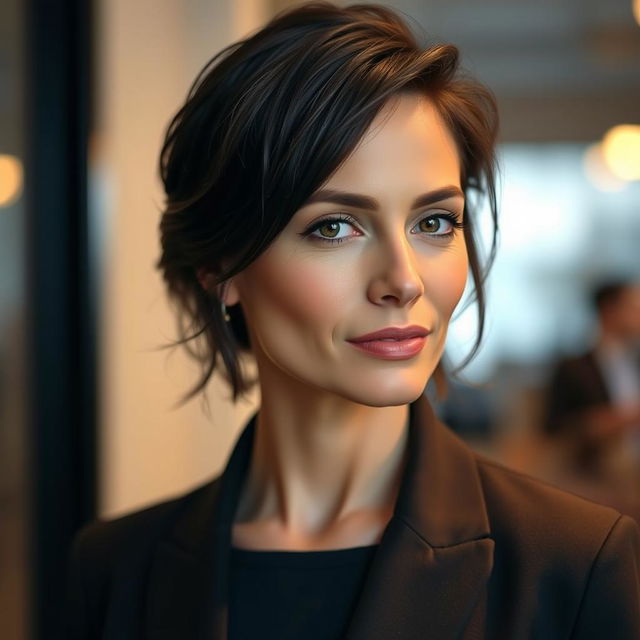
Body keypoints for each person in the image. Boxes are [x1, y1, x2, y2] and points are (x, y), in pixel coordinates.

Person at [65, 3, 640, 638]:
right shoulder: (115, 570)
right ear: (221, 266)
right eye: (334, 226)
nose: (403, 280)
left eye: (434, 222)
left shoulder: (574, 564)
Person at [543, 281, 640, 484]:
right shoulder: (573, 368)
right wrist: (610, 422)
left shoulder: (635, 361)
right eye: (633, 307)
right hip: (597, 477)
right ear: (609, 311)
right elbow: (554, 429)